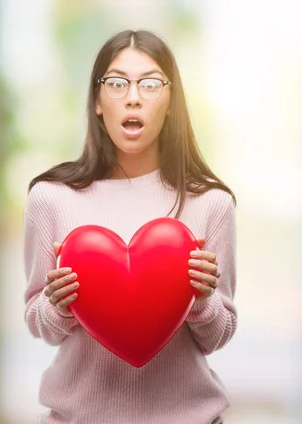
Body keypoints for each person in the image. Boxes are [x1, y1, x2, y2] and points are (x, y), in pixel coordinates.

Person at [22, 29, 237, 424]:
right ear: (98, 101)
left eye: (151, 83)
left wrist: (202, 299)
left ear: (171, 101)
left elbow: (216, 337)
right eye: (117, 83)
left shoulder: (212, 203)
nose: (133, 96)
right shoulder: (51, 197)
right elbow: (40, 324)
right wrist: (58, 305)